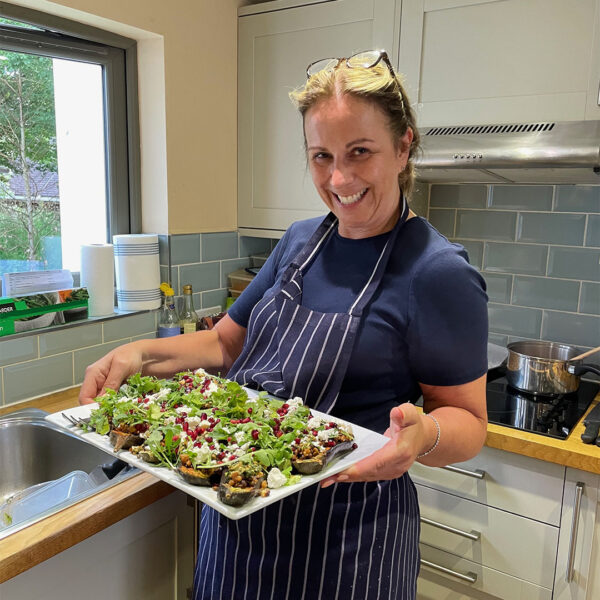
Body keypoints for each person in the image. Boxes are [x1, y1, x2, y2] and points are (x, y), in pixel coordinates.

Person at [79, 50, 488, 600]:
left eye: (359, 152)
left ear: (404, 146)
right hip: (236, 526)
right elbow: (226, 343)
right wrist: (140, 355)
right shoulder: (298, 243)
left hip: (346, 547)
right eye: (321, 156)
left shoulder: (436, 272)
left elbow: (469, 422)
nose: (339, 178)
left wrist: (423, 437)